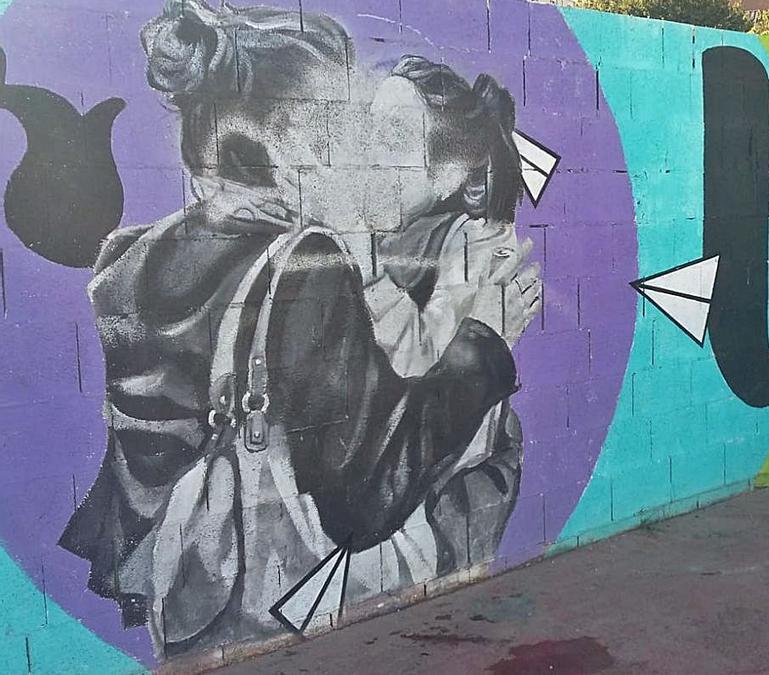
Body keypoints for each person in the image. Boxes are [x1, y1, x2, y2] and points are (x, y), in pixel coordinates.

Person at [55, 0, 540, 657]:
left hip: (179, 581)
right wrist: (485, 340)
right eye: (341, 128)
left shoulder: (125, 260)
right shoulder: (306, 266)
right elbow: (364, 502)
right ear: (296, 135)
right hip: (273, 603)